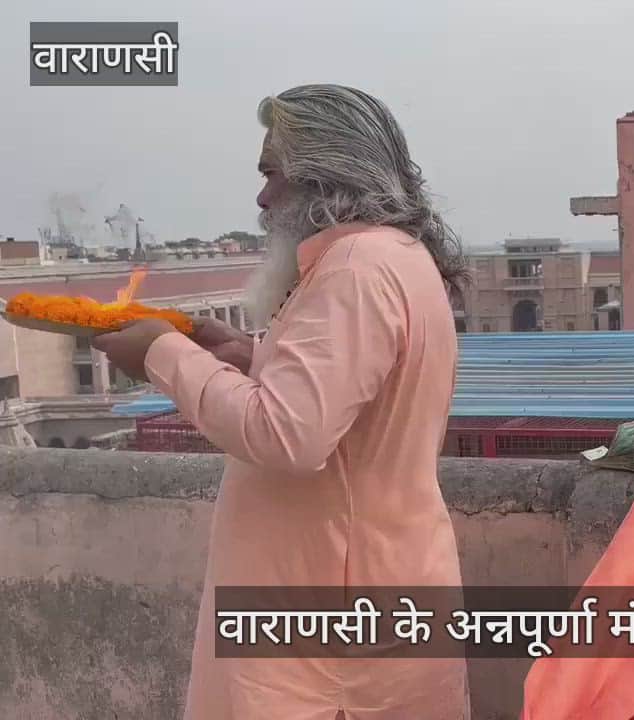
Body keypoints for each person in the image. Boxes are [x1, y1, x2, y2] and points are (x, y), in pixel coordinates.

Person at [92, 84, 471, 720]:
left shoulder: (355, 268)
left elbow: (289, 435)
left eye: (272, 173)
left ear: (324, 175)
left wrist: (161, 353)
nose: (263, 198)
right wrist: (244, 353)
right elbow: (347, 391)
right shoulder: (394, 257)